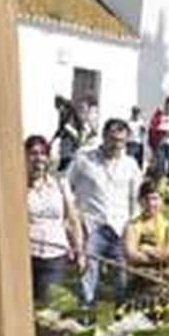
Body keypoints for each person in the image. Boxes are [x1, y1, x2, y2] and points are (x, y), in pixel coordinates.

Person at [66, 118, 142, 305]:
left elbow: (136, 198)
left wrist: (133, 228)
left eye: (122, 141)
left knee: (122, 281)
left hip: (120, 228)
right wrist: (72, 215)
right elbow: (66, 184)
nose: (117, 145)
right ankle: (85, 323)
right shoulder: (84, 159)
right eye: (113, 139)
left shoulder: (130, 164)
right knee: (87, 278)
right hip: (91, 227)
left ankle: (121, 327)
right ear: (104, 137)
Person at [25, 134, 85, 304]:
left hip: (55, 256)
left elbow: (73, 220)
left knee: (48, 307)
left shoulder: (60, 184)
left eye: (43, 153)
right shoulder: (17, 185)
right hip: (27, 255)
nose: (38, 158)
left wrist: (79, 250)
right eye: (33, 153)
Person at [124, 179, 169, 308]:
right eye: (147, 199)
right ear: (140, 201)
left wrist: (146, 249)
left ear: (162, 201)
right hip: (137, 287)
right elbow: (131, 255)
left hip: (163, 286)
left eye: (155, 199)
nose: (151, 203)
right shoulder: (131, 227)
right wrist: (161, 255)